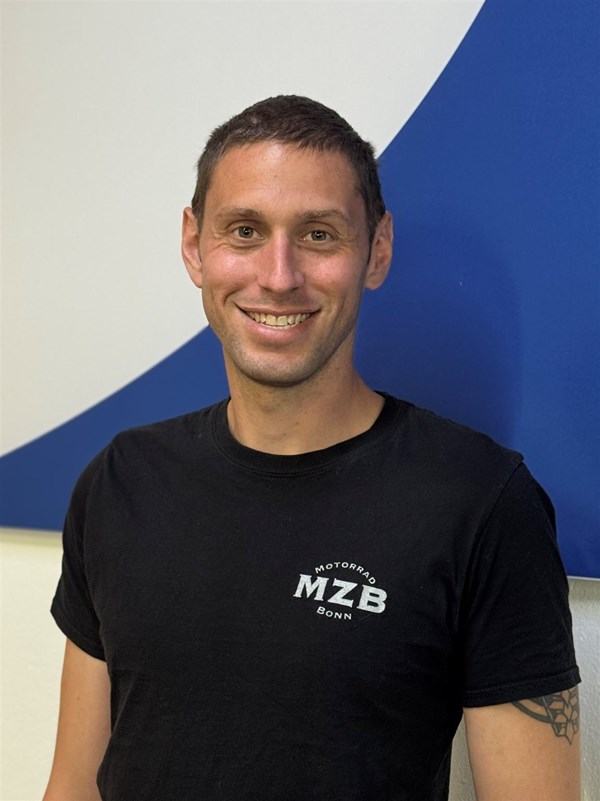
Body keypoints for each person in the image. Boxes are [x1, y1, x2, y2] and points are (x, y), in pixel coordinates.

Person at [43, 95, 580, 801]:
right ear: (194, 245)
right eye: (244, 231)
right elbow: (73, 785)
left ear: (377, 249)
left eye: (319, 235)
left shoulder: (483, 503)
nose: (278, 275)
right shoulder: (120, 482)